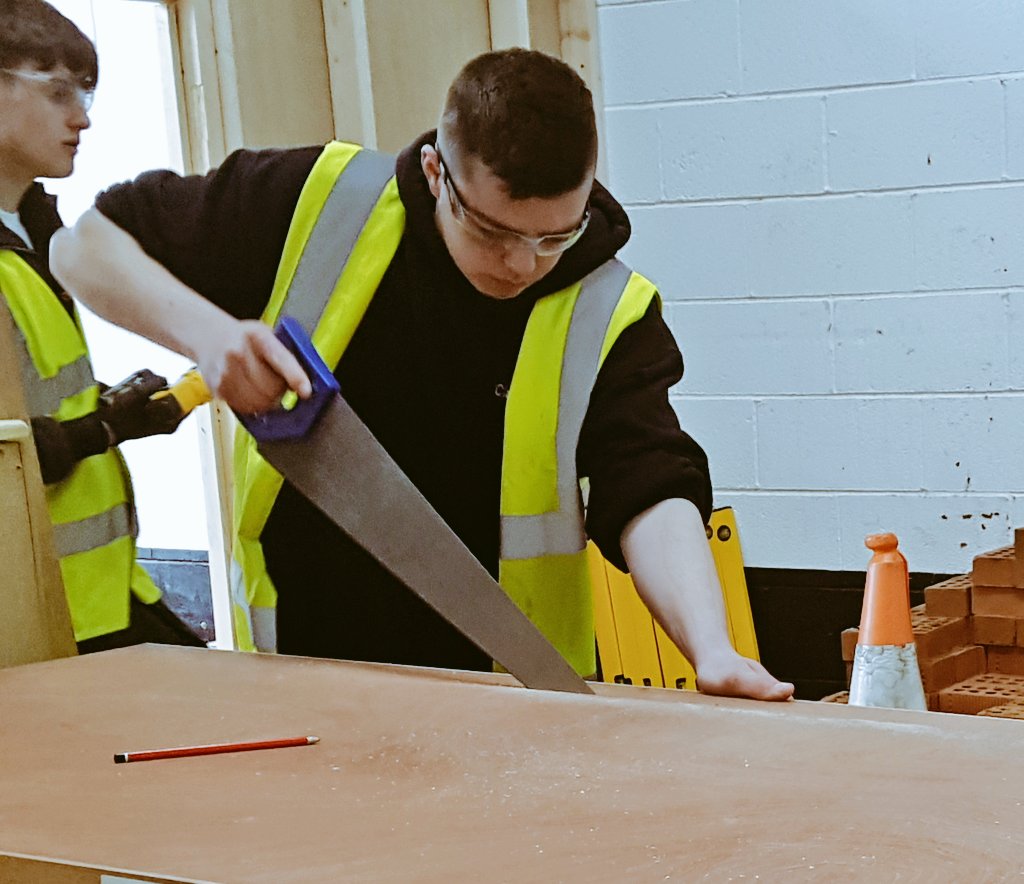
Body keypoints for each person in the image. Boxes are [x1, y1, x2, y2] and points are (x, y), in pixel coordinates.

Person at [52, 48, 793, 700]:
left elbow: (650, 485)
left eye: (555, 237)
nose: (522, 264)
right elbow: (82, 247)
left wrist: (711, 648)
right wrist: (208, 335)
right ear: (437, 172)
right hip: (301, 686)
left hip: (516, 705)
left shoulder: (609, 309)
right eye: (494, 231)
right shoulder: (313, 202)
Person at [0, 0, 203, 652]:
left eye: (84, 94)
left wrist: (113, 416)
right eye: (59, 92)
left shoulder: (35, 234)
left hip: (101, 601)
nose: (82, 118)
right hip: (32, 626)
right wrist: (108, 427)